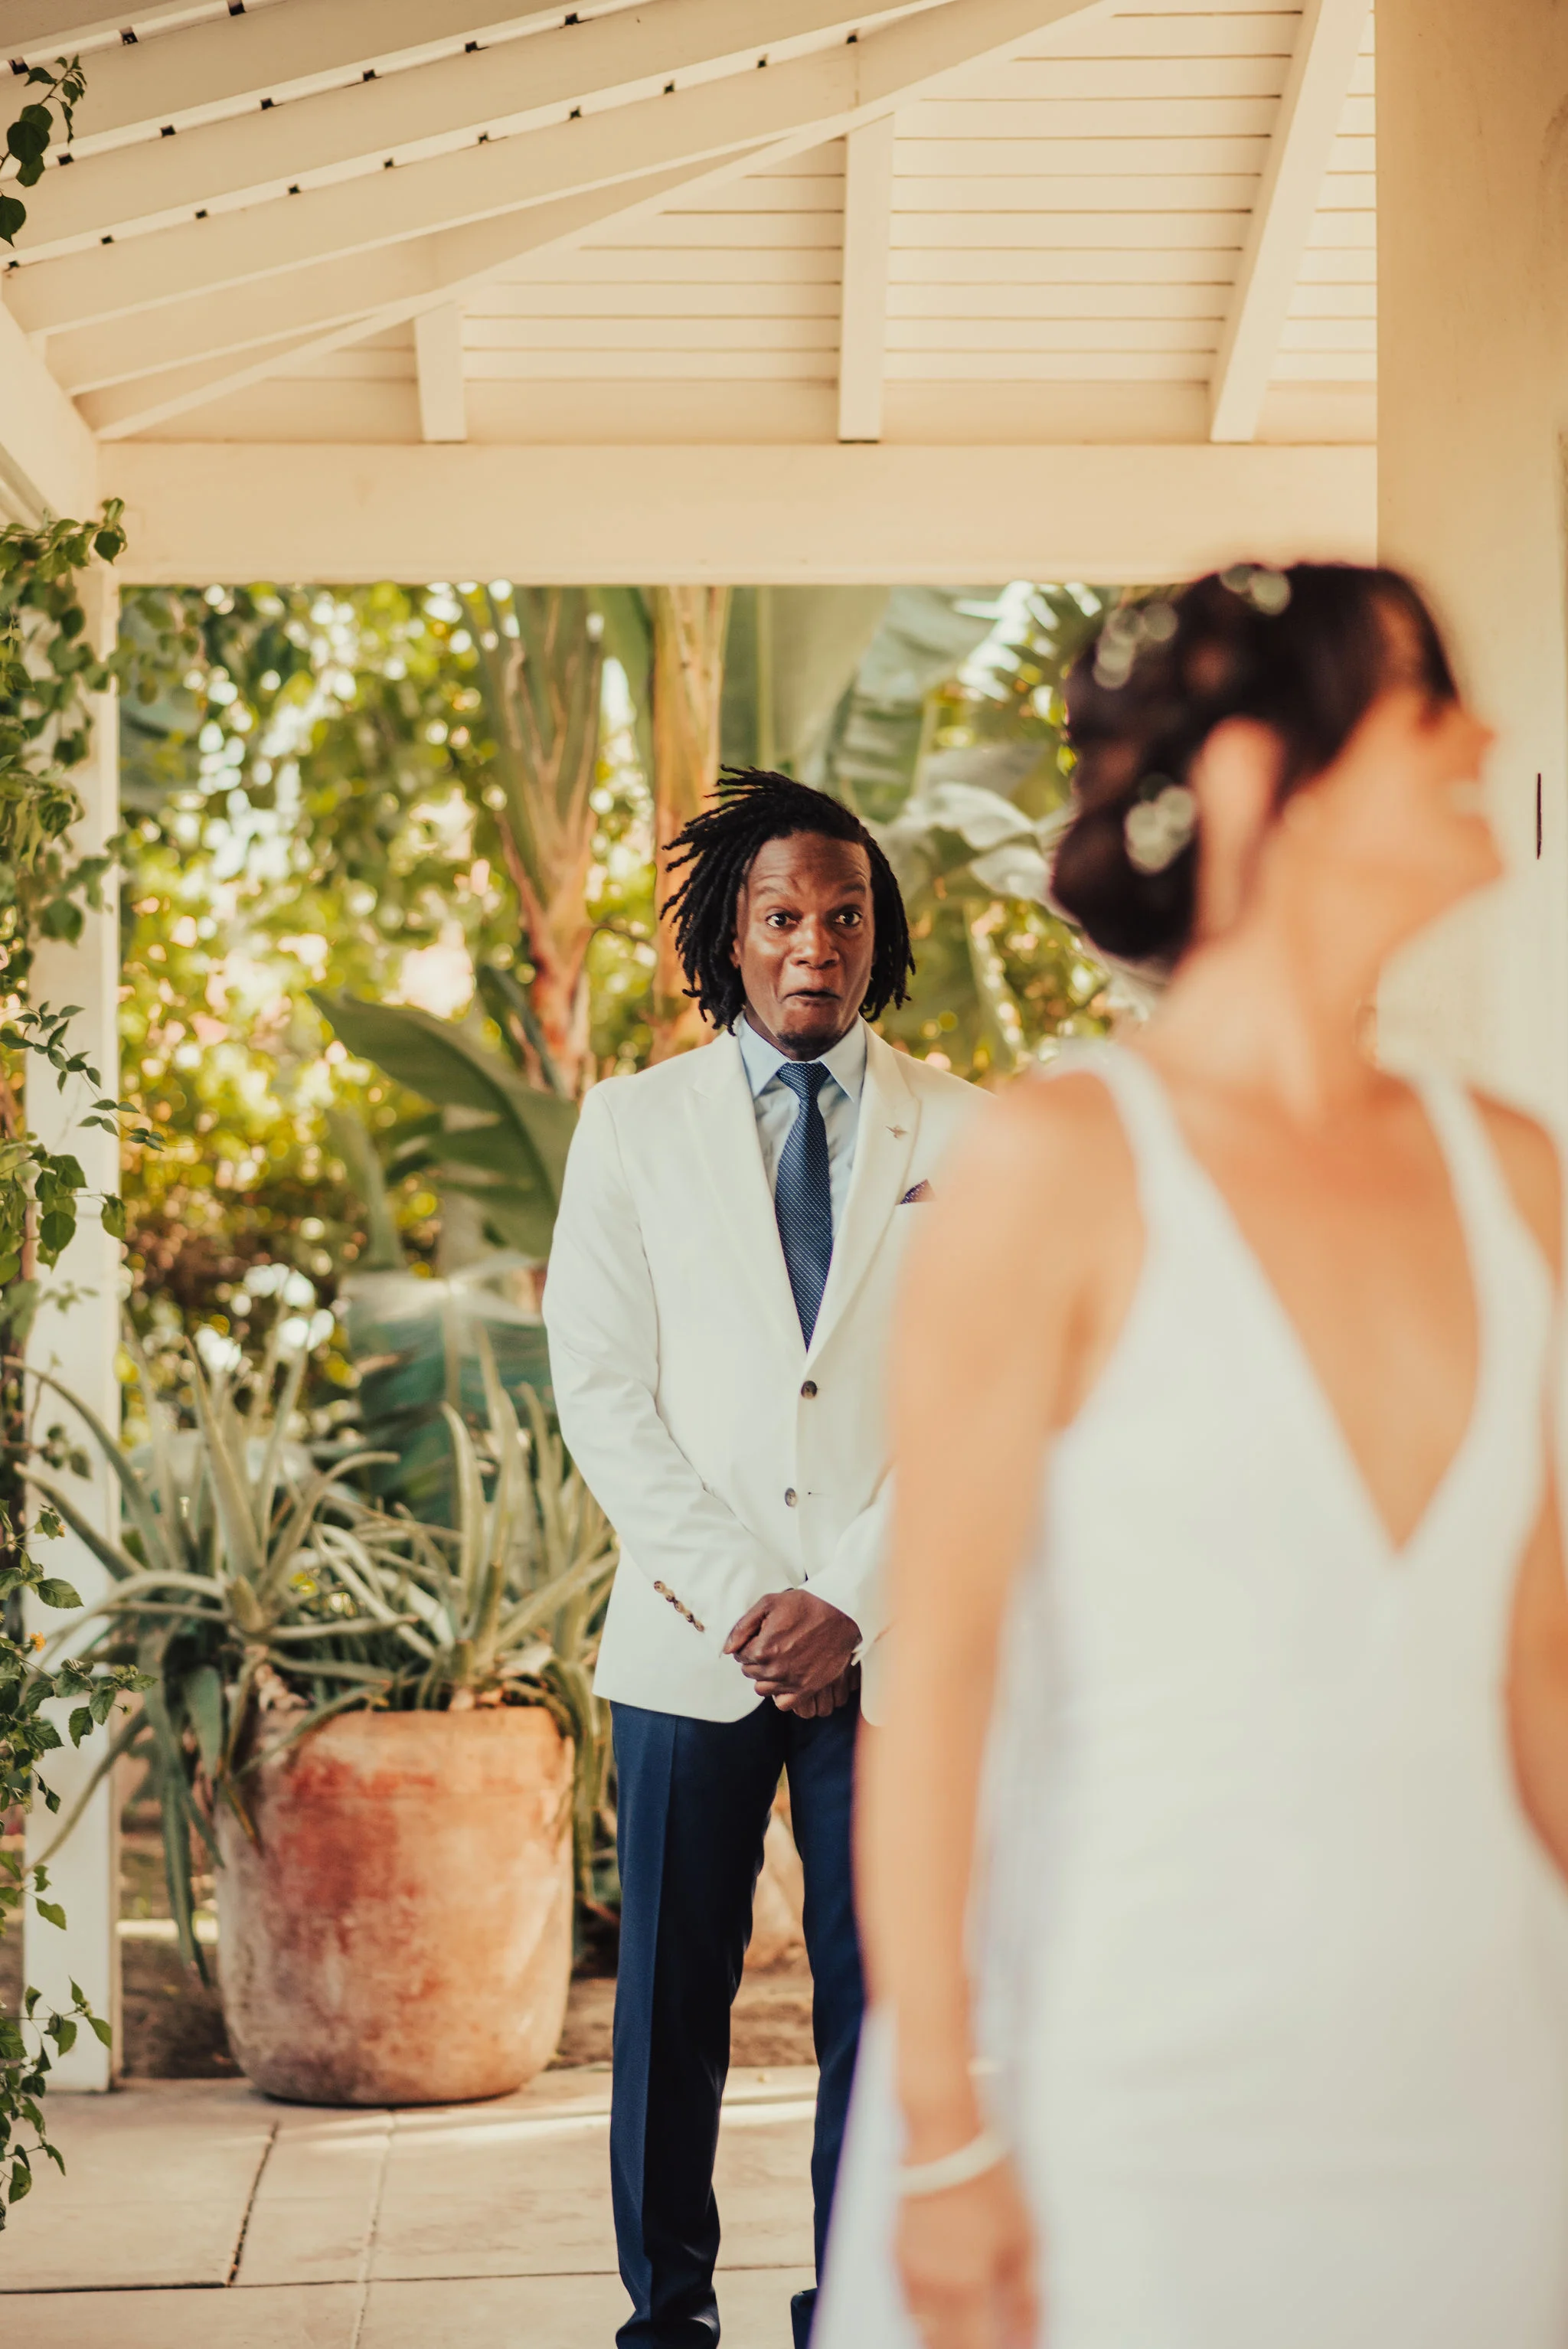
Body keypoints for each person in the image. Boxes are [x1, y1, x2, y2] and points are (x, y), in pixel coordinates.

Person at [816, 564, 1568, 2349]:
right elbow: (939, 1692)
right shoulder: (1057, 1171)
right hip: (1134, 2115)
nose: (1484, 738)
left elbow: (1538, 1673)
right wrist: (943, 2137)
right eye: (1426, 702)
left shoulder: (1515, 1175)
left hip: (1489, 2097)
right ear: (1252, 781)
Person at [542, 770, 981, 2349]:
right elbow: (602, 1387)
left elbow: (986, 1395)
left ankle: (851, 2312)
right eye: (782, 916)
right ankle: (666, 2320)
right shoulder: (631, 1126)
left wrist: (849, 1597)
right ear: (728, 936)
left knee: (887, 2013)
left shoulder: (972, 1133)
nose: (816, 945)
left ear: (880, 934)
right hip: (692, 1649)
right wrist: (753, 1602)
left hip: (894, 1650)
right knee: (669, 2014)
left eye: (844, 915)